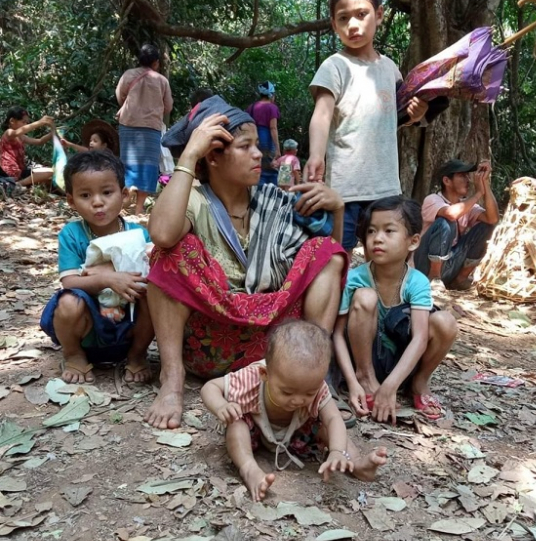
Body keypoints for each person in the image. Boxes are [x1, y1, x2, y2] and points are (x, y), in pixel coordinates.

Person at [145, 95, 347, 430]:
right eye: (246, 146)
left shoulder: (275, 200)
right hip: (209, 344)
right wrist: (190, 154)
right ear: (213, 157)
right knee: (169, 255)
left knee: (324, 251)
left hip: (274, 352)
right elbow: (163, 234)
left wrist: (337, 210)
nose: (259, 154)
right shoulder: (194, 201)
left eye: (258, 145)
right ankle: (173, 379)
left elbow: (332, 258)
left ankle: (313, 377)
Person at [304, 0, 430, 252]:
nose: (353, 24)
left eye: (362, 14)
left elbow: (398, 116)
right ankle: (337, 297)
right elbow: (322, 114)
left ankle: (380, 297)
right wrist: (316, 155)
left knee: (388, 257)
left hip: (385, 188)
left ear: (379, 14)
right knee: (336, 257)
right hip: (344, 191)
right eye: (343, 18)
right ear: (334, 25)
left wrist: (417, 112)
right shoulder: (334, 66)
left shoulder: (390, 69)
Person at [201, 320, 388, 502]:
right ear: (265, 374)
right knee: (236, 423)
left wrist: (337, 450)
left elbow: (333, 418)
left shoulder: (316, 386)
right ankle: (249, 469)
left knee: (327, 429)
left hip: (299, 436)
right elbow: (210, 387)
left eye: (309, 392)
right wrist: (221, 406)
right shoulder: (251, 378)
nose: (298, 400)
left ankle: (356, 462)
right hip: (255, 432)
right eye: (287, 391)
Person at [333, 196, 457, 425]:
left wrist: (391, 386)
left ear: (413, 241)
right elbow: (338, 334)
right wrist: (351, 381)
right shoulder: (354, 278)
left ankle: (417, 383)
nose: (377, 238)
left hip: (401, 358)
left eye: (389, 231)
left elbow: (420, 338)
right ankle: (366, 380)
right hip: (365, 357)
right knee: (365, 297)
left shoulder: (417, 281)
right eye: (371, 231)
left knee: (445, 321)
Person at [40, 151, 154, 384]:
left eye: (107, 192)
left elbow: (152, 276)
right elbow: (70, 282)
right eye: (85, 195)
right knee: (68, 301)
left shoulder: (138, 234)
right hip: (88, 332)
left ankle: (137, 356)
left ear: (124, 195)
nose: (97, 202)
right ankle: (74, 355)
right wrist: (108, 279)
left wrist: (110, 274)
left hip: (127, 329)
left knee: (154, 295)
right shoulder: (72, 234)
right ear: (71, 201)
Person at [413, 159, 499, 291]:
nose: (468, 180)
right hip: (424, 266)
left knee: (487, 227)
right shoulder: (433, 199)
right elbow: (451, 214)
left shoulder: (466, 206)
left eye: (467, 176)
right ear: (447, 181)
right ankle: (434, 277)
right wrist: (478, 194)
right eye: (462, 176)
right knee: (446, 221)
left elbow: (492, 219)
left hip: (450, 264)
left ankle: (460, 279)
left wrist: (485, 184)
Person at [116, 43, 173, 215]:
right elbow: (168, 106)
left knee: (127, 163)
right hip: (151, 128)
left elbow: (120, 96)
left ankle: (123, 201)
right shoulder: (162, 81)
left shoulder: (128, 75)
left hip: (128, 124)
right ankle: (139, 209)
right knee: (148, 166)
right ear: (156, 62)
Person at [0, 106, 55, 186]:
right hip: (8, 172)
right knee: (48, 174)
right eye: (23, 122)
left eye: (26, 122)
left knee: (49, 175)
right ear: (12, 121)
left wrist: (53, 133)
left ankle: (17, 184)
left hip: (19, 171)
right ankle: (17, 185)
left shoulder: (21, 137)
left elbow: (40, 141)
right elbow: (18, 132)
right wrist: (40, 122)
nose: (25, 124)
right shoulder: (8, 133)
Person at [246, 81, 281, 186]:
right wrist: (277, 149)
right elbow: (273, 128)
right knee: (271, 170)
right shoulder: (272, 108)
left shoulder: (251, 107)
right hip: (267, 140)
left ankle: (258, 194)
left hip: (254, 140)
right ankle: (273, 196)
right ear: (271, 95)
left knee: (258, 169)